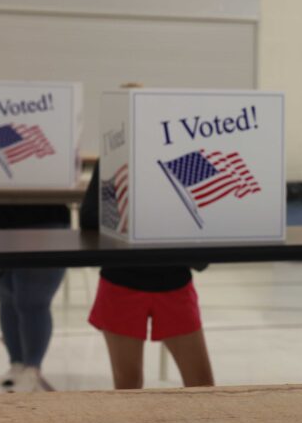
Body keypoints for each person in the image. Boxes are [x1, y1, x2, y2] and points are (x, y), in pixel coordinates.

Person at [79, 161, 214, 390]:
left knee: (202, 385)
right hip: (122, 281)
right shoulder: (117, 155)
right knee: (128, 387)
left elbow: (208, 213)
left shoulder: (188, 157)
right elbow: (89, 218)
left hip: (173, 280)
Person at [0, 203, 70, 392]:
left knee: (33, 301)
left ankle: (32, 367)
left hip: (43, 217)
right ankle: (18, 364)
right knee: (7, 298)